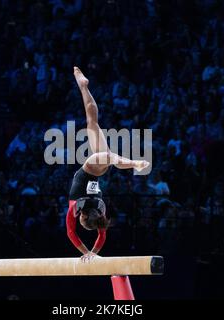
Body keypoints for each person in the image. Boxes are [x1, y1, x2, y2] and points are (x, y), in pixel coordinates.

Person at [66, 67, 150, 262]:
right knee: (95, 128)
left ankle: (83, 86)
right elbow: (71, 233)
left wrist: (92, 253)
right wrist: (87, 252)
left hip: (97, 169)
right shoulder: (76, 209)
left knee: (96, 130)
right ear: (83, 217)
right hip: (91, 168)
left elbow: (101, 235)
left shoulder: (101, 208)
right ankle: (134, 163)